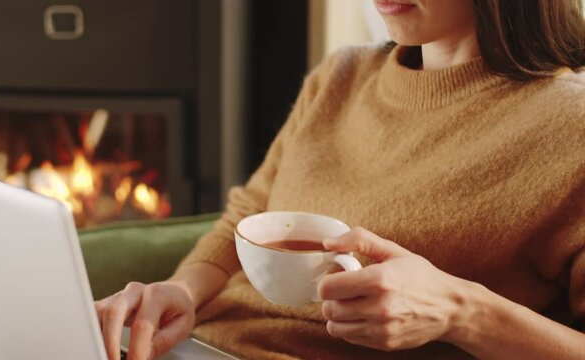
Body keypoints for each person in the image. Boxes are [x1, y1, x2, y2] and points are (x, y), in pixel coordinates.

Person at [95, 0, 585, 359]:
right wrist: (179, 292)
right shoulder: (341, 76)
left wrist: (461, 311)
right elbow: (246, 217)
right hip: (196, 347)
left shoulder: (571, 125)